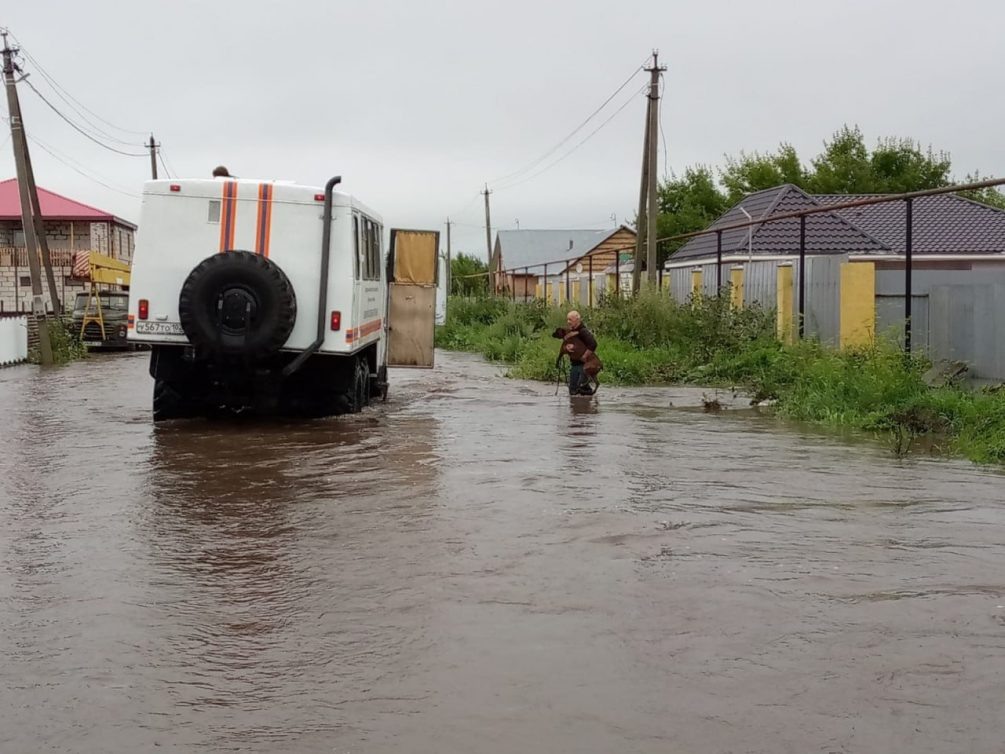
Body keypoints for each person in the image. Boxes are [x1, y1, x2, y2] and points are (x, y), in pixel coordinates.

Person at [563, 310, 598, 396]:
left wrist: (585, 355)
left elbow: (593, 344)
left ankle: (589, 405)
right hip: (574, 365)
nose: (568, 322)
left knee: (581, 388)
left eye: (570, 320)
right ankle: (579, 406)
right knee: (573, 391)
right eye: (567, 320)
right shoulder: (572, 332)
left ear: (577, 320)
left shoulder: (583, 331)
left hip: (584, 365)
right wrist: (567, 348)